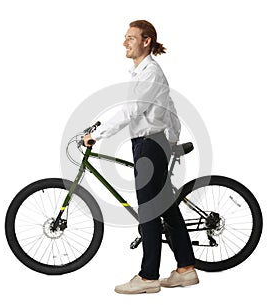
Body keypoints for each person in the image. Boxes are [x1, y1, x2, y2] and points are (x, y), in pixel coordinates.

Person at [84, 20, 199, 294]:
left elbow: (131, 110)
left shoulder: (150, 73)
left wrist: (96, 133)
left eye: (131, 37)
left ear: (146, 41)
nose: (125, 42)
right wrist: (171, 140)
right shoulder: (144, 73)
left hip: (149, 146)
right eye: (125, 37)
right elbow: (169, 108)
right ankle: (186, 269)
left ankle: (148, 277)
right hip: (152, 145)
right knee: (165, 208)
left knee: (148, 211)